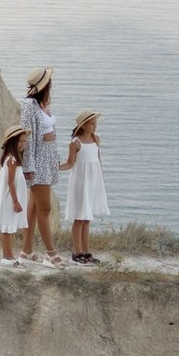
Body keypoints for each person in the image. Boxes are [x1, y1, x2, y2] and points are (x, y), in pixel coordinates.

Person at [18, 67, 66, 267]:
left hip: (47, 159)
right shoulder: (29, 105)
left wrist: (55, 157)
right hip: (37, 161)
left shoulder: (42, 103)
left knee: (35, 207)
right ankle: (50, 254)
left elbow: (51, 133)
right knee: (45, 208)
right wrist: (29, 166)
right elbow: (26, 135)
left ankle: (26, 251)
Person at [62, 109, 110, 264]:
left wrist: (100, 179)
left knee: (87, 218)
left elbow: (98, 160)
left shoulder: (97, 139)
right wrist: (55, 167)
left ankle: (86, 252)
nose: (95, 126)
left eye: (95, 123)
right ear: (83, 125)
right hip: (80, 183)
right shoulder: (76, 143)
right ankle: (76, 253)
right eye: (92, 124)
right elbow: (70, 164)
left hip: (93, 182)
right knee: (79, 218)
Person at [0, 125, 29, 266]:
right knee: (7, 228)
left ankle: (7, 258)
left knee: (6, 228)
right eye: (20, 141)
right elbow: (10, 182)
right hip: (9, 199)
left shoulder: (14, 159)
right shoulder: (12, 160)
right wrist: (16, 202)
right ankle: (9, 257)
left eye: (24, 141)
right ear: (12, 143)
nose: (23, 144)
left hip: (10, 198)